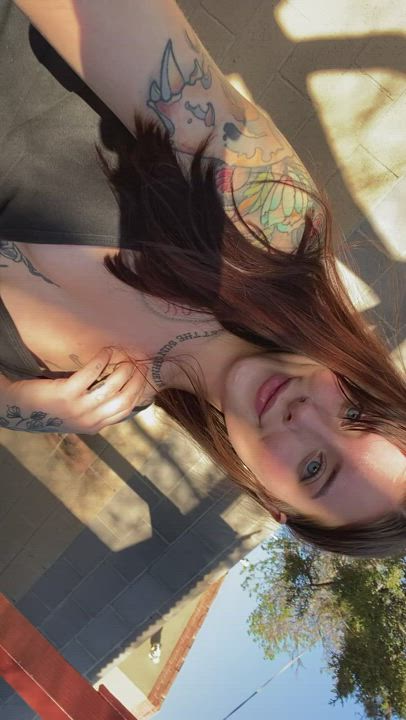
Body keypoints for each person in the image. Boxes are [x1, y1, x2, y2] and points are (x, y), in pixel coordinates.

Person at [1, 0, 405, 558]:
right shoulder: (266, 224)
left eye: (315, 467)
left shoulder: (73, 399)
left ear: (272, 501)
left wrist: (16, 396)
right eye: (356, 413)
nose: (305, 415)